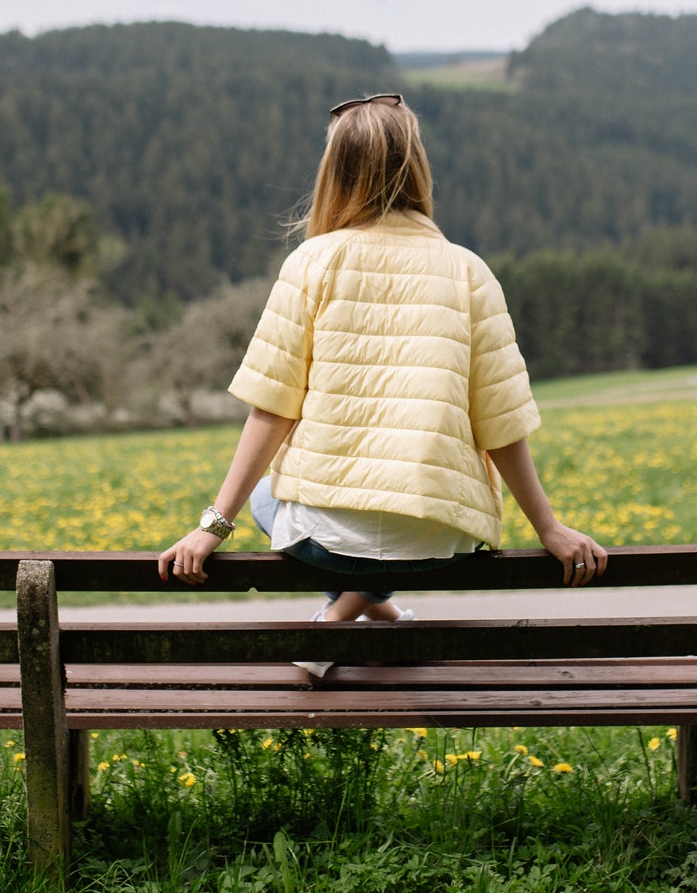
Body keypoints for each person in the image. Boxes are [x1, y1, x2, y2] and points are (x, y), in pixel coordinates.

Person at [156, 92, 606, 658]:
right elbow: (502, 423)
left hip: (327, 539)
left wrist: (213, 527)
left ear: (335, 173)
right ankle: (379, 611)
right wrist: (549, 529)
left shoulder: (312, 263)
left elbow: (270, 409)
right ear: (417, 166)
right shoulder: (470, 272)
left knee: (269, 496)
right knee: (396, 537)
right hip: (441, 537)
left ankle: (340, 617)